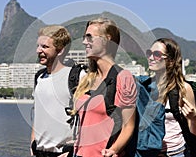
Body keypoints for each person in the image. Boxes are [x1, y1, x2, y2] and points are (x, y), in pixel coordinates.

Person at [72, 17, 137, 157]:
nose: (84, 42)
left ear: (107, 40)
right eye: (84, 37)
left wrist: (114, 150)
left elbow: (128, 126)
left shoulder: (123, 77)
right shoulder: (88, 78)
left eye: (89, 38)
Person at [30, 25, 85, 157]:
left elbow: (90, 120)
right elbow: (37, 115)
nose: (38, 51)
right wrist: (32, 145)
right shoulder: (39, 77)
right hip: (38, 152)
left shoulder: (77, 76)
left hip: (65, 153)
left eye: (44, 47)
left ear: (60, 50)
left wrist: (71, 153)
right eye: (38, 46)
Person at [145, 38, 196, 157]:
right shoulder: (145, 86)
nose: (150, 57)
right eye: (149, 53)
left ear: (170, 61)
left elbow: (195, 131)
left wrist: (194, 118)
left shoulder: (183, 89)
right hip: (149, 153)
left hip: (175, 153)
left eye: (156, 54)